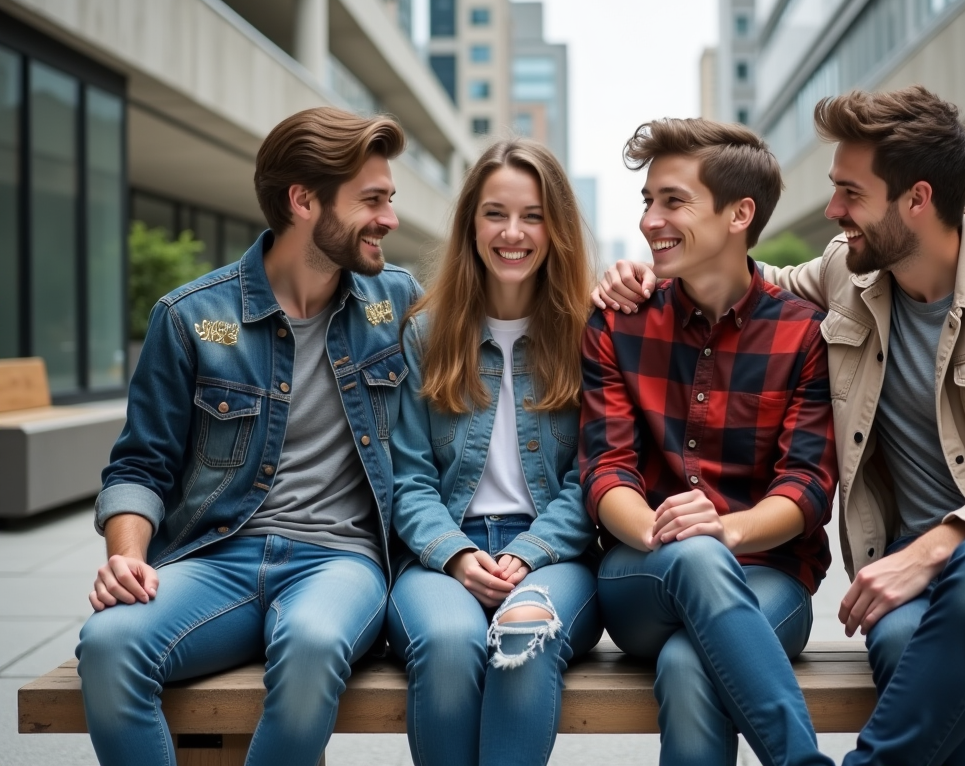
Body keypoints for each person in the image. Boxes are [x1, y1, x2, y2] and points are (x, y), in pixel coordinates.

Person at [593, 87, 965, 766]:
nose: (833, 210)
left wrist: (934, 547)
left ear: (917, 199)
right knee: (898, 644)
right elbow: (743, 280)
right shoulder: (849, 274)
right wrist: (641, 274)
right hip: (920, 584)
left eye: (850, 193)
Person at [76, 107, 420, 766]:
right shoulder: (190, 317)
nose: (390, 218)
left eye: (390, 198)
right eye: (372, 200)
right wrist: (127, 558)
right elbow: (139, 468)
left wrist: (616, 288)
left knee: (313, 645)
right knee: (110, 644)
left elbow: (507, 312)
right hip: (216, 556)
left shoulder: (398, 302)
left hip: (340, 561)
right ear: (303, 201)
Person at [581, 118, 838, 766]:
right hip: (643, 571)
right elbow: (606, 470)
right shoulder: (618, 322)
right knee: (694, 556)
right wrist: (669, 533)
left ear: (739, 214)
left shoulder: (805, 334)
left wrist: (725, 531)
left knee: (688, 662)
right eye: (648, 201)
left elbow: (807, 485)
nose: (650, 221)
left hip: (770, 576)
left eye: (673, 201)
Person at [387, 139, 602, 766]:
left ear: (557, 228)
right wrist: (456, 555)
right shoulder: (425, 333)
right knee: (448, 642)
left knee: (524, 635)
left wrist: (527, 553)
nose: (513, 233)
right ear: (470, 225)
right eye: (495, 214)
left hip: (555, 557)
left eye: (533, 216)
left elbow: (593, 475)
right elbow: (407, 477)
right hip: (440, 554)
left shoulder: (589, 333)